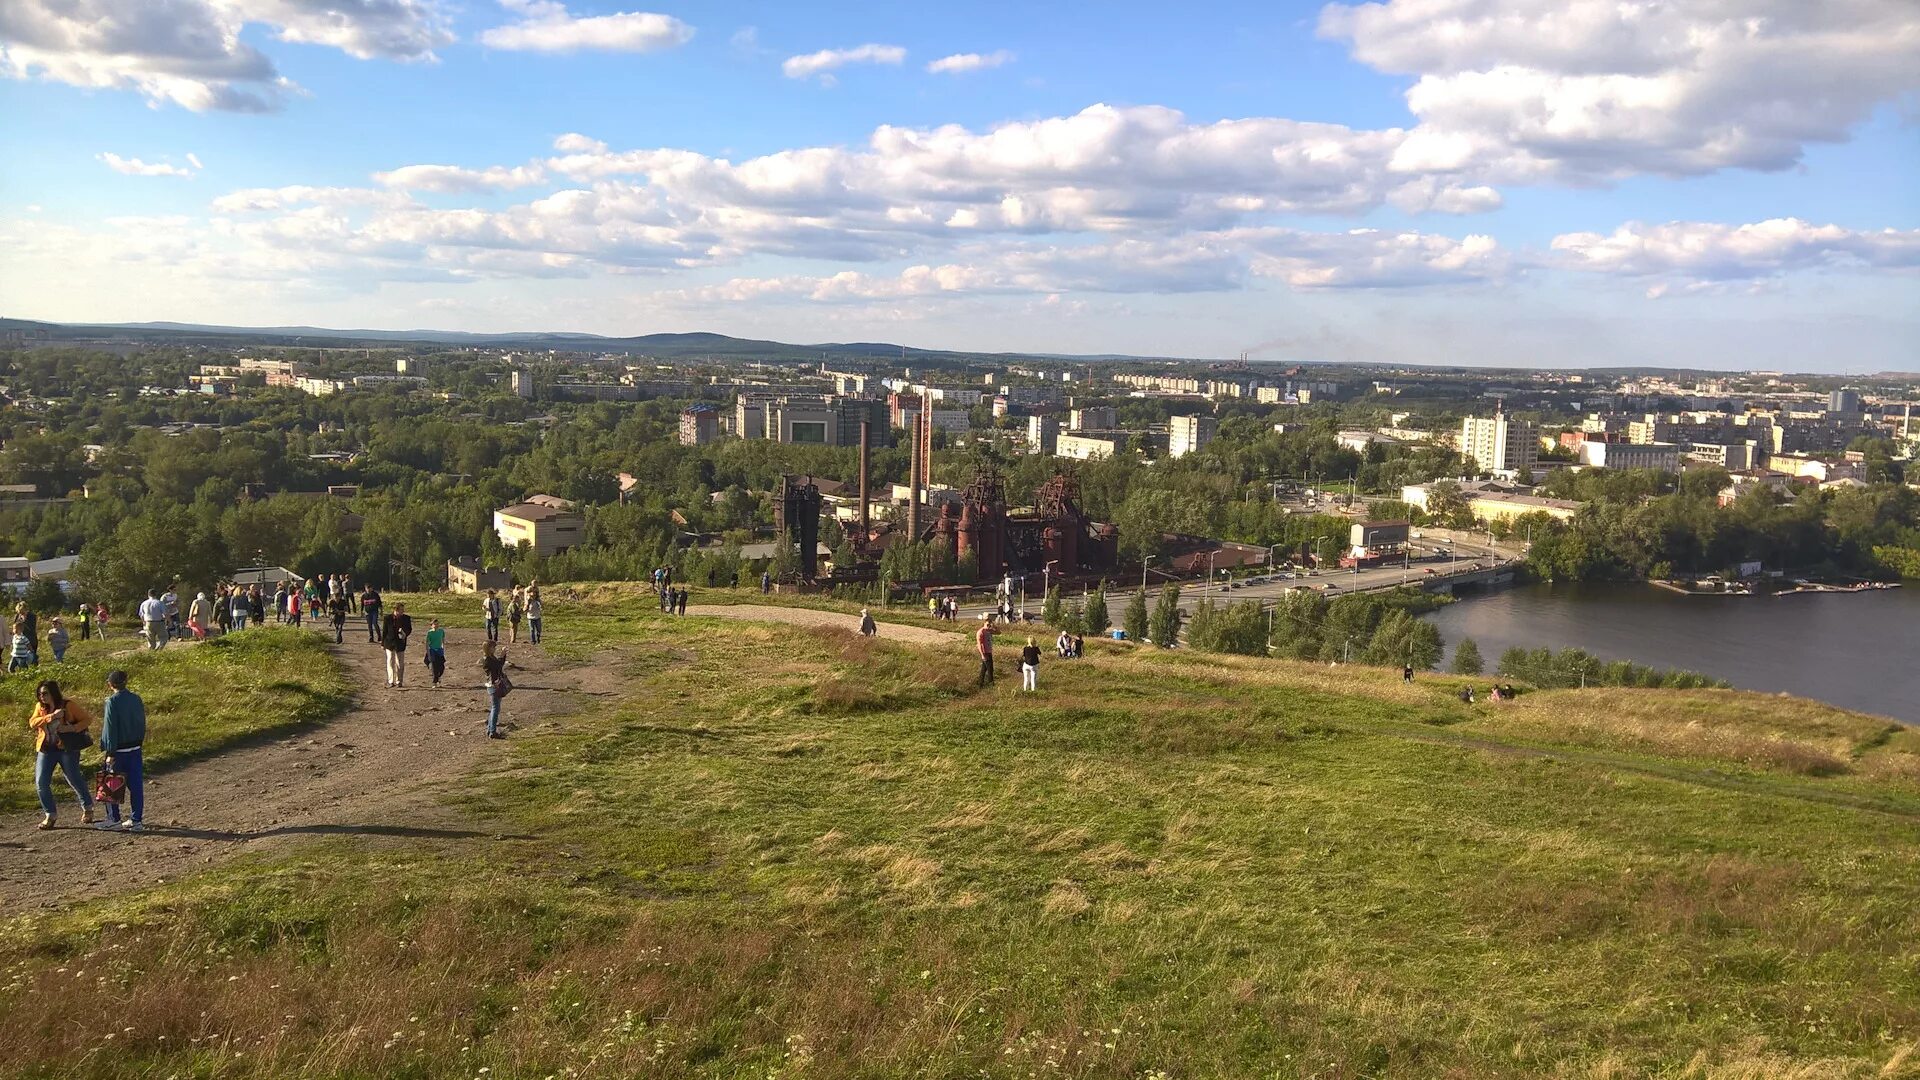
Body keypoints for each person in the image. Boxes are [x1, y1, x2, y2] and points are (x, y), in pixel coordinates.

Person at [28, 679, 95, 830]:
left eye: (45, 693)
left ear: (53, 693)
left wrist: (72, 728)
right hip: (46, 749)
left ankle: (88, 808)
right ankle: (50, 815)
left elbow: (87, 720)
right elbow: (32, 723)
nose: (42, 697)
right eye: (39, 694)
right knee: (41, 783)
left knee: (73, 778)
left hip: (67, 749)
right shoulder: (40, 707)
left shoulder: (68, 705)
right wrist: (50, 717)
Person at [98, 669, 145, 831]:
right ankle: (136, 819)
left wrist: (110, 752)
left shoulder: (112, 702)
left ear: (110, 684)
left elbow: (110, 728)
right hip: (135, 747)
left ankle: (113, 818)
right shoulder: (136, 699)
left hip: (119, 750)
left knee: (110, 783)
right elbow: (141, 723)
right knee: (136, 785)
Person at [479, 641, 509, 739]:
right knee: (496, 708)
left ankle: (490, 729)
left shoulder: (490, 658)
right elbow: (498, 666)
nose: (494, 648)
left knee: (494, 708)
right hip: (494, 686)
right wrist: (502, 655)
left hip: (493, 685)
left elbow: (499, 664)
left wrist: (503, 655)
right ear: (488, 648)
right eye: (493, 647)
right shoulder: (487, 659)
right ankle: (492, 731)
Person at [380, 602, 413, 688]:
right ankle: (391, 681)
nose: (402, 612)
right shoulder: (387, 618)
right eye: (401, 610)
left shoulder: (406, 618)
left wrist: (404, 633)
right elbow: (384, 631)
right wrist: (382, 643)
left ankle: (399, 681)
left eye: (403, 610)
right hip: (389, 642)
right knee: (390, 661)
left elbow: (409, 629)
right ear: (395, 610)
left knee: (400, 663)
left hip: (400, 643)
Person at [424, 618, 447, 687]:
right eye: (434, 624)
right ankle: (435, 682)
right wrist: (428, 652)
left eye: (437, 624)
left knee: (441, 666)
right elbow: (427, 643)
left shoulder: (441, 631)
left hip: (439, 650)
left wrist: (443, 648)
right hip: (432, 650)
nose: (436, 626)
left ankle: (438, 676)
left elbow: (442, 640)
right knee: (434, 666)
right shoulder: (430, 633)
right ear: (431, 625)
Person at [976, 616, 997, 687]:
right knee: (990, 669)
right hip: (985, 652)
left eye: (989, 625)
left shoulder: (989, 631)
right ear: (984, 624)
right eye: (987, 625)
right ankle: (991, 684)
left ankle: (980, 683)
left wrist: (994, 626)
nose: (988, 626)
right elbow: (979, 644)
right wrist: (982, 654)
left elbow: (999, 632)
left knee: (984, 669)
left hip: (989, 651)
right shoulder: (981, 632)